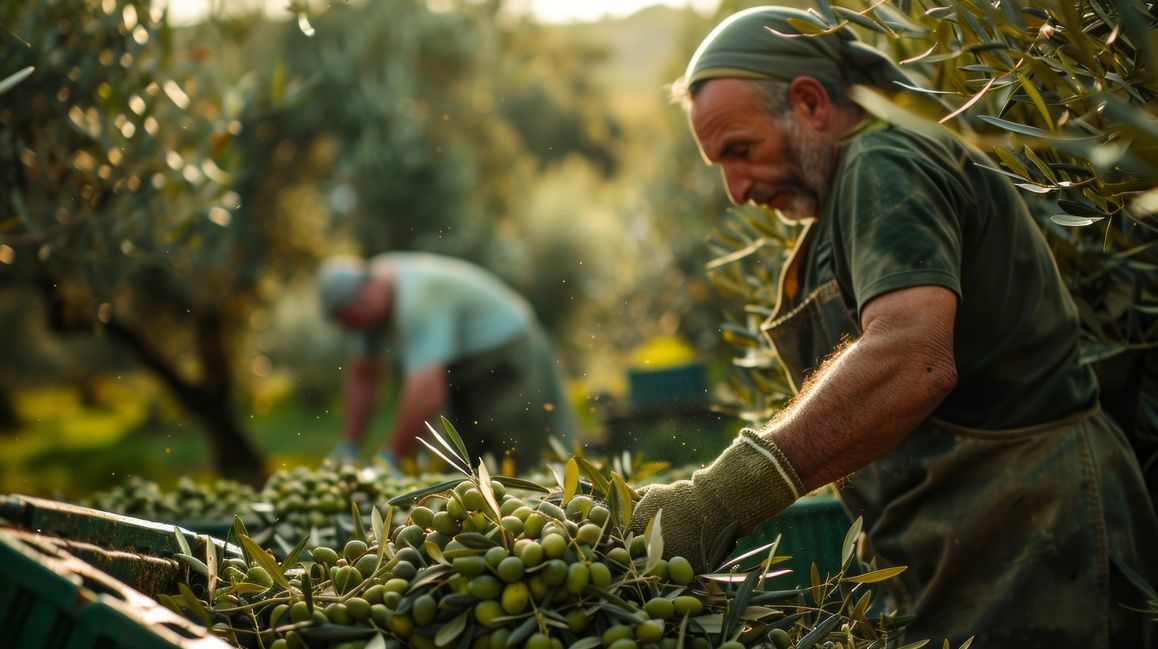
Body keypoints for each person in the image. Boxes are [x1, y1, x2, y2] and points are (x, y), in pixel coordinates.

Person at [629, 6, 1158, 648]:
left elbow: (913, 358)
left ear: (809, 104)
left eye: (741, 151)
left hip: (1039, 532)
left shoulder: (884, 163)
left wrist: (720, 500)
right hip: (972, 543)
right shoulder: (847, 197)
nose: (736, 189)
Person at [317, 251, 579, 473]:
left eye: (353, 321)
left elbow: (426, 394)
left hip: (511, 357)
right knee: (469, 463)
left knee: (528, 458)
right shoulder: (366, 313)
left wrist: (391, 459)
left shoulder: (417, 299)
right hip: (466, 370)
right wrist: (348, 445)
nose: (356, 331)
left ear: (366, 292)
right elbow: (364, 376)